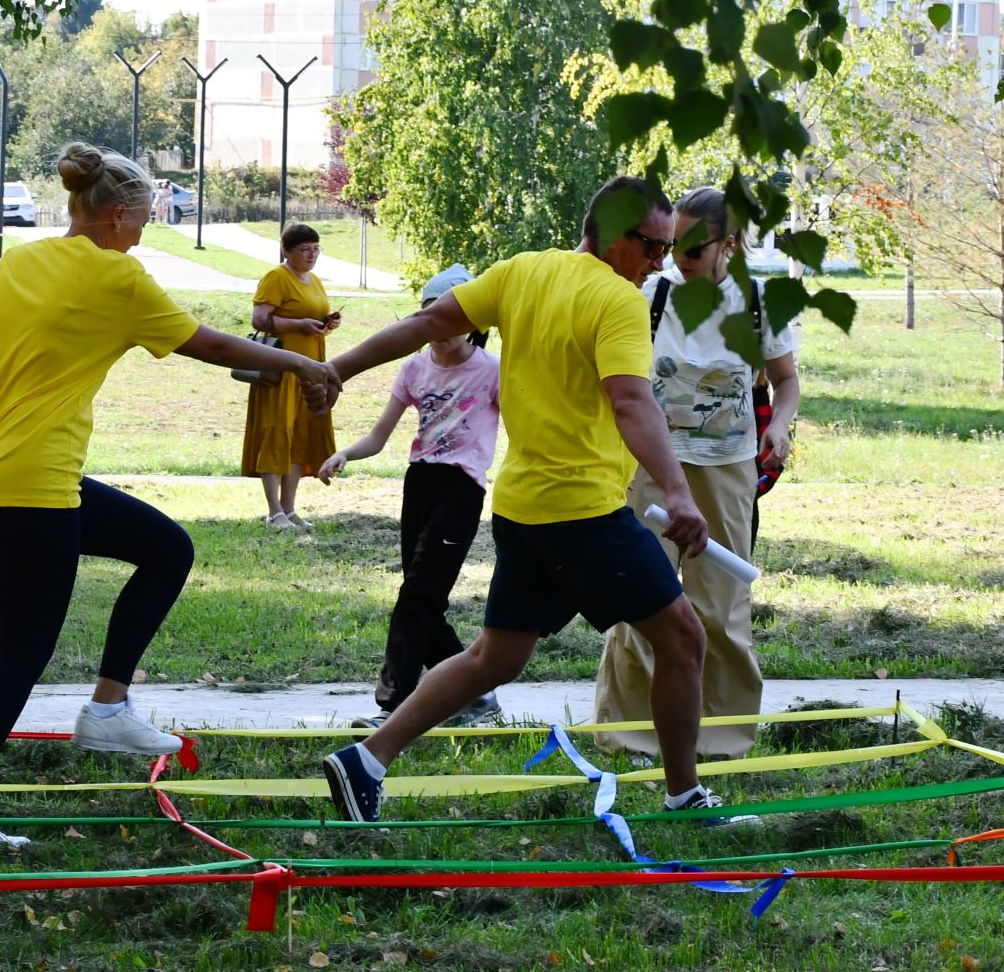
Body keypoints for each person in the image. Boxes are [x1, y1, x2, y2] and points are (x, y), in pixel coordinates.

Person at [0, 142, 339, 845]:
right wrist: (297, 367)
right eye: (146, 218)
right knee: (21, 655)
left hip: (5, 475)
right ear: (117, 217)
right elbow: (208, 345)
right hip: (38, 487)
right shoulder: (117, 277)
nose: (146, 231)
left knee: (166, 548)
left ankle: (110, 705)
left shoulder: (14, 263)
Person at [318, 176, 757, 827]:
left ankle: (367, 760)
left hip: (523, 507)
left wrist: (338, 370)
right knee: (685, 638)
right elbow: (632, 401)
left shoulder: (523, 271)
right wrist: (677, 491)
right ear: (611, 233)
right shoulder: (618, 301)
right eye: (652, 247)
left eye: (670, 249)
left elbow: (425, 323)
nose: (661, 263)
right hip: (581, 511)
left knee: (495, 658)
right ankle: (685, 796)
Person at [593, 187, 801, 761]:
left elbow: (785, 382)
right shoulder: (651, 293)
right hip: (650, 471)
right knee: (640, 603)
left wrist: (778, 427)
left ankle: (721, 739)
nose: (674, 256)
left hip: (726, 474)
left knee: (722, 608)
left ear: (728, 244)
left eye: (690, 246)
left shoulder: (760, 302)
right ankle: (632, 736)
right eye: (669, 243)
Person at [318, 264, 504, 729]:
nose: (441, 329)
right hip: (418, 483)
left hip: (461, 488)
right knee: (423, 599)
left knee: (417, 596)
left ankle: (393, 704)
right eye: (431, 317)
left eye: (452, 318)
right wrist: (345, 453)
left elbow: (524, 427)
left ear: (473, 323)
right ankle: (476, 694)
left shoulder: (493, 371)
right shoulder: (413, 368)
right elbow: (380, 436)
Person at [243, 223, 340, 530]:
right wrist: (299, 325)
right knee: (277, 430)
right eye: (305, 249)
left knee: (298, 433)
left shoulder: (314, 280)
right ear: (287, 250)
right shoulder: (277, 277)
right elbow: (260, 319)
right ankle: (274, 511)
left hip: (309, 369)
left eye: (316, 249)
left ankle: (289, 508)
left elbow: (311, 316)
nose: (312, 255)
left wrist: (325, 324)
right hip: (281, 368)